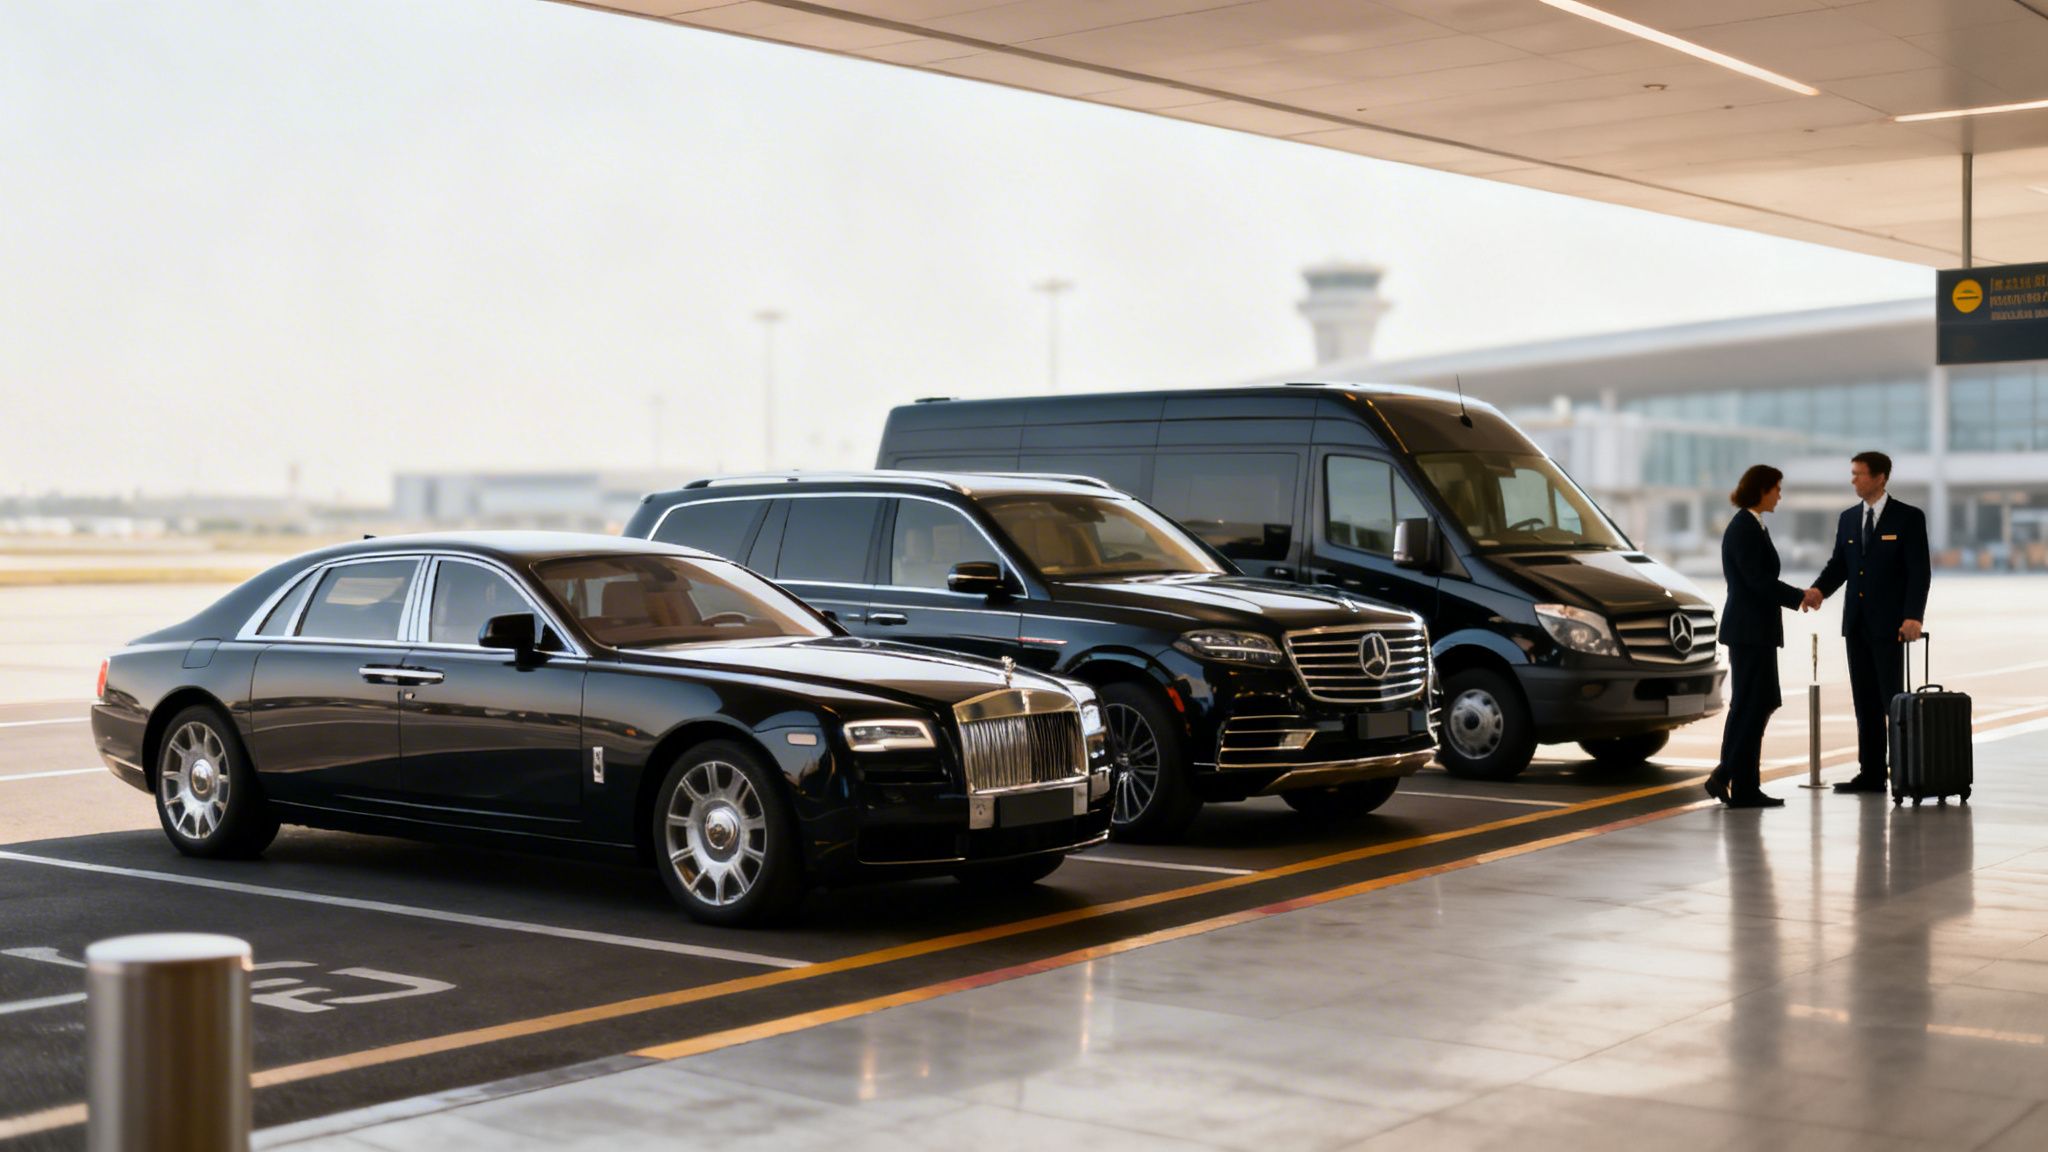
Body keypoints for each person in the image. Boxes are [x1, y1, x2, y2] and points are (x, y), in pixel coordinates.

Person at [1803, 451, 1931, 794]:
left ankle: (1904, 772)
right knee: (1865, 702)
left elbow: (1919, 572)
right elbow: (1839, 565)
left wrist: (1913, 616)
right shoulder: (1848, 519)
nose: (1853, 480)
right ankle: (1871, 773)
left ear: (1880, 477)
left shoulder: (1907, 518)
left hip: (1891, 626)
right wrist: (1818, 591)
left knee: (1893, 702)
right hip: (1857, 625)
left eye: (1859, 474)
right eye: (1853, 473)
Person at [1709, 465, 1810, 808]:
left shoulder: (1753, 525)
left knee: (1752, 705)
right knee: (1754, 705)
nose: (1780, 495)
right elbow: (1756, 580)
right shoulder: (1744, 528)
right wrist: (1799, 597)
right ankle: (1727, 775)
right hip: (1750, 631)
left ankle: (1744, 786)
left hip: (1755, 630)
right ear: (1762, 489)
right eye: (1777, 488)